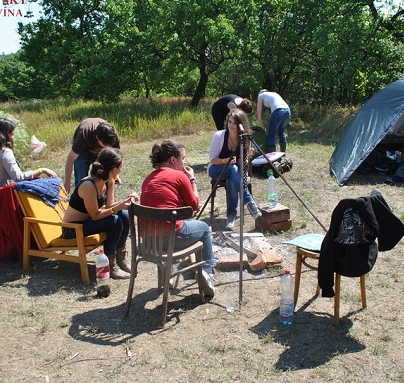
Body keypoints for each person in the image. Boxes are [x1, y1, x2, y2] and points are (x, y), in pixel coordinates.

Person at [140, 140, 217, 297]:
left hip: (148, 242)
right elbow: (193, 206)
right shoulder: (179, 176)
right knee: (203, 228)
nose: (185, 163)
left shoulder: (148, 179)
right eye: (183, 158)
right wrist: (192, 180)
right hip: (170, 239)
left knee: (177, 223)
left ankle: (165, 273)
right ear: (173, 160)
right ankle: (207, 272)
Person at [61, 147, 137, 279]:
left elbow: (109, 205)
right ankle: (110, 265)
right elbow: (96, 215)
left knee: (123, 215)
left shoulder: (110, 180)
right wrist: (118, 207)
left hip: (88, 222)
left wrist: (125, 201)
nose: (121, 169)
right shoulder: (88, 185)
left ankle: (120, 258)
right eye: (120, 166)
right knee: (115, 221)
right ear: (114, 169)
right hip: (73, 228)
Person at [207, 109, 262, 230]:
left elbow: (247, 157)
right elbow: (212, 160)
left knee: (231, 180)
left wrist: (246, 158)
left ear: (241, 124)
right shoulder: (219, 136)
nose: (231, 125)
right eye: (230, 122)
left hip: (234, 174)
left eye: (234, 123)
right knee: (232, 168)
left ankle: (230, 218)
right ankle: (249, 201)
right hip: (216, 170)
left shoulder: (244, 138)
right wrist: (226, 161)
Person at [0, 117, 57, 195]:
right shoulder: (4, 152)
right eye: (12, 134)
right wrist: (42, 170)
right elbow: (18, 177)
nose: (13, 137)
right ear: (4, 135)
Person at [64, 118, 120, 193]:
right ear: (97, 138)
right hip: (83, 152)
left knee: (105, 177)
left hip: (100, 154)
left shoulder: (112, 136)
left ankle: (101, 197)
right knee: (81, 180)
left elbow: (114, 159)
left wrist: (115, 175)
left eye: (109, 144)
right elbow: (70, 159)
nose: (107, 147)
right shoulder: (83, 135)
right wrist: (67, 183)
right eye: (105, 144)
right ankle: (81, 200)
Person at [256, 89, 291, 153]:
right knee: (281, 132)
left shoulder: (260, 96)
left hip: (278, 111)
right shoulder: (274, 94)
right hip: (288, 111)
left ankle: (272, 157)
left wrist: (261, 126)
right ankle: (283, 154)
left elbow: (258, 112)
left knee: (271, 135)